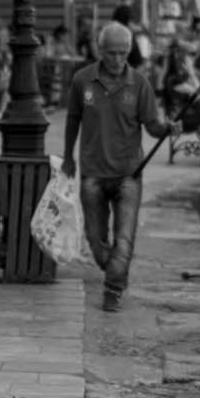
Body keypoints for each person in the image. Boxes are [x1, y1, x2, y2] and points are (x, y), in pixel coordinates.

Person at [62, 22, 173, 313]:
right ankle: (114, 271)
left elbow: (152, 126)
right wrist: (67, 157)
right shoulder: (82, 80)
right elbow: (73, 119)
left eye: (124, 53)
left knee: (124, 240)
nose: (118, 59)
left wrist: (167, 129)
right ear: (101, 51)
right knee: (96, 242)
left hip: (128, 174)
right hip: (92, 172)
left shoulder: (140, 84)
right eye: (112, 53)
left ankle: (113, 288)